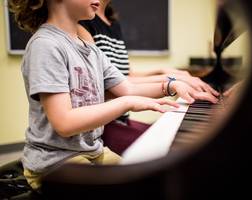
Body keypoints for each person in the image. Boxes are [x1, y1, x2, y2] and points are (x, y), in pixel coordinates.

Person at [9, 0, 218, 190]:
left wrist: (172, 85)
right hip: (55, 164)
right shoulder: (46, 45)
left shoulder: (91, 49)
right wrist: (126, 103)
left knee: (152, 179)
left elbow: (127, 87)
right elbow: (64, 123)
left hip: (93, 152)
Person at [78, 0, 219, 155]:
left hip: (122, 119)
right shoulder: (83, 22)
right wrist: (170, 81)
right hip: (105, 123)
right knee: (170, 148)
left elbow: (126, 74)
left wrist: (165, 71)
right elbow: (107, 85)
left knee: (177, 136)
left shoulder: (112, 23)